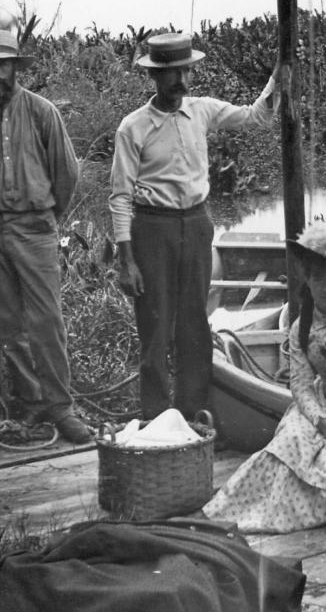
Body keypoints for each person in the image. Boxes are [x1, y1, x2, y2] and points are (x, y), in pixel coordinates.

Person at [109, 32, 279, 419]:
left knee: (194, 323)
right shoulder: (132, 128)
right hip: (152, 229)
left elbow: (256, 117)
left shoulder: (201, 110)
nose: (179, 81)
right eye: (170, 73)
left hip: (198, 225)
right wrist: (126, 260)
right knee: (154, 326)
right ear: (154, 77)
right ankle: (155, 417)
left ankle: (193, 412)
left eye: (184, 71)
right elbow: (120, 197)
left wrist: (277, 81)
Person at [203, 223, 326, 532]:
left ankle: (280, 516)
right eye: (319, 279)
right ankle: (239, 514)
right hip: (321, 407)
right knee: (283, 449)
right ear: (308, 281)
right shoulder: (300, 327)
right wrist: (320, 420)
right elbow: (300, 385)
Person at [0, 28, 89, 443]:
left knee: (46, 321)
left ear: (16, 68)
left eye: (3, 64)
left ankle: (60, 406)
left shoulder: (41, 112)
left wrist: (45, 216)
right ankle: (30, 404)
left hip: (35, 226)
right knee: (7, 322)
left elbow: (67, 174)